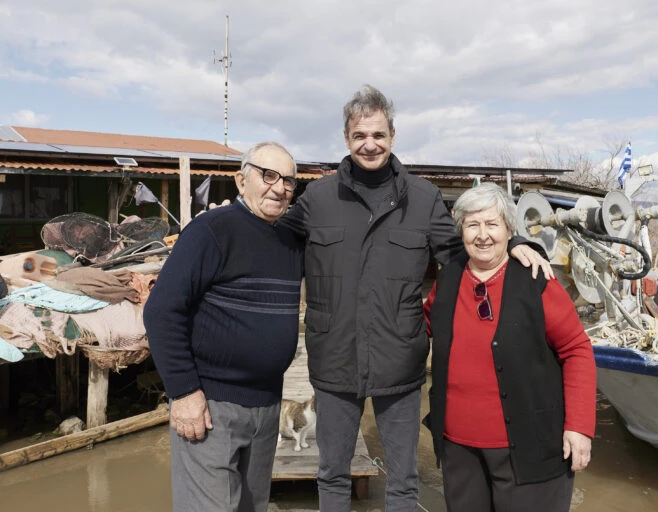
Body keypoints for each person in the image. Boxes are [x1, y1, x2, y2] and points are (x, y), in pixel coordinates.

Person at [280, 84, 553, 511]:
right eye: (359, 136)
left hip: (400, 359)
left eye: (378, 135)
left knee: (404, 480)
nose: (369, 145)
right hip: (334, 359)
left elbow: (465, 253)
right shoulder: (318, 198)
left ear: (392, 135)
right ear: (346, 139)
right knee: (332, 474)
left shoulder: (423, 199)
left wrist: (515, 240)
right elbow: (273, 242)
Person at [144, 142, 303, 512]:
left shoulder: (290, 241)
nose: (279, 187)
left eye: (289, 181)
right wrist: (183, 393)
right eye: (268, 175)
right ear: (240, 179)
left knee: (252, 506)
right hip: (212, 406)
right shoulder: (212, 230)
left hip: (267, 406)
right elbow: (162, 311)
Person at [422, 183, 596, 512]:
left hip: (529, 446)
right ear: (461, 231)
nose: (483, 235)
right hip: (459, 448)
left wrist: (579, 427)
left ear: (509, 229)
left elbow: (576, 350)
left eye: (492, 224)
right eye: (473, 225)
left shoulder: (535, 278)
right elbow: (423, 325)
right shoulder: (450, 278)